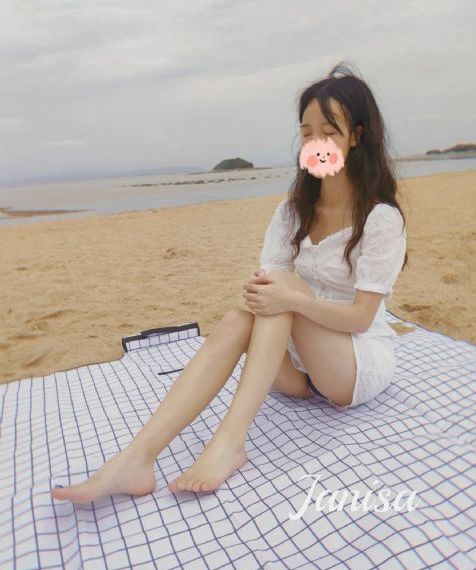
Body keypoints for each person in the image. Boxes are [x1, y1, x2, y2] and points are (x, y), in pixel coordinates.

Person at [50, 61, 407, 503]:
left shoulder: (380, 218)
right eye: (306, 132)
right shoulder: (292, 212)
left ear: (356, 135)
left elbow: (361, 318)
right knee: (248, 311)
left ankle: (228, 443)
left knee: (285, 290)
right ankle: (137, 458)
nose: (315, 143)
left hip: (351, 365)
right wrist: (263, 292)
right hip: (298, 372)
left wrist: (289, 298)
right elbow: (269, 289)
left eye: (328, 131)